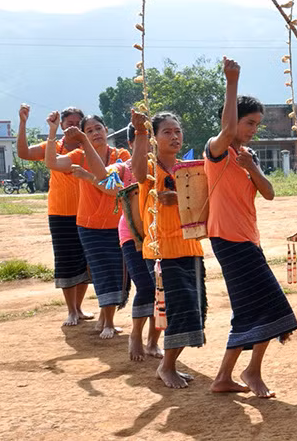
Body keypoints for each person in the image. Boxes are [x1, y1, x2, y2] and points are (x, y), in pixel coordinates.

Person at [206, 57, 297, 398]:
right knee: (267, 304)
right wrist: (233, 81)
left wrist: (252, 168)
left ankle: (227, 376)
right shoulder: (215, 149)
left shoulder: (248, 156)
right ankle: (250, 371)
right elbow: (227, 131)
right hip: (228, 239)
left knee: (254, 306)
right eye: (249, 123)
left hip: (248, 239)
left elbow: (270, 193)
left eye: (257, 125)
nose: (251, 130)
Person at [131, 110, 207, 388]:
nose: (175, 136)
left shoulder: (189, 170)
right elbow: (137, 173)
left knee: (195, 310)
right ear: (155, 138)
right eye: (167, 132)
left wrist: (182, 199)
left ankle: (169, 363)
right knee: (179, 309)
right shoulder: (151, 170)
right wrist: (140, 133)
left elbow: (203, 207)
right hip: (163, 249)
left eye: (177, 131)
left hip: (192, 247)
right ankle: (166, 366)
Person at [45, 113, 130, 339]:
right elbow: (52, 163)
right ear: (85, 135)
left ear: (107, 130)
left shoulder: (121, 155)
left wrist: (87, 176)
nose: (95, 133)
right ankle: (108, 322)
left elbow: (113, 186)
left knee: (117, 272)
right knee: (102, 272)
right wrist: (53, 132)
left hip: (118, 224)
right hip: (89, 225)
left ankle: (105, 318)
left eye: (98, 128)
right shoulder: (79, 155)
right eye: (89, 130)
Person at [87, 122, 162, 361]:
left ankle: (153, 341)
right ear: (131, 144)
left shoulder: (164, 167)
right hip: (131, 235)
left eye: (151, 139)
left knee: (161, 289)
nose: (149, 145)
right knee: (146, 286)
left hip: (160, 235)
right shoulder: (123, 167)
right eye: (141, 139)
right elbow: (106, 181)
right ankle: (136, 336)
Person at [17, 104, 91, 326]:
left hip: (87, 213)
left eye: (78, 124)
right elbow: (23, 153)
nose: (74, 128)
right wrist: (22, 122)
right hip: (60, 214)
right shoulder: (53, 147)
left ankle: (79, 306)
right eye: (70, 124)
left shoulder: (89, 149)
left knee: (86, 261)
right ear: (61, 125)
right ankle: (71, 310)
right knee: (66, 261)